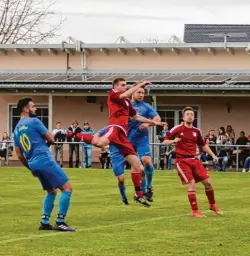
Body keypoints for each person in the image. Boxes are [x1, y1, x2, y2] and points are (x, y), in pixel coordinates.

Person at [73, 79, 162, 207]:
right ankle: (75, 134)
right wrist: (140, 84)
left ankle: (139, 195)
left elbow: (136, 117)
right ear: (115, 86)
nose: (125, 87)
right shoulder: (113, 94)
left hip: (123, 136)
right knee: (101, 143)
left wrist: (153, 123)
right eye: (123, 85)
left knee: (138, 166)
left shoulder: (127, 102)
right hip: (115, 128)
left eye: (126, 85)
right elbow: (125, 95)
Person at [13, 97, 75, 231]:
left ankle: (45, 222)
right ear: (26, 109)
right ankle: (60, 221)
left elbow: (19, 155)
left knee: (51, 191)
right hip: (45, 159)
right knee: (67, 188)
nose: (35, 109)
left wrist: (31, 168)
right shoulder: (34, 121)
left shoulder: (16, 130)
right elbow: (51, 139)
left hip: (33, 163)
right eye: (33, 106)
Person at [163, 107, 222, 217]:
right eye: (188, 114)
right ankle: (195, 211)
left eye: (192, 114)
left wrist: (213, 155)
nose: (190, 115)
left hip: (195, 160)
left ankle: (212, 205)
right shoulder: (177, 129)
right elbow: (165, 141)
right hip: (182, 161)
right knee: (192, 184)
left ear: (194, 117)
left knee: (208, 183)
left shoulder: (196, 131)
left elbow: (203, 145)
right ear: (183, 117)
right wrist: (173, 141)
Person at [128, 86, 163, 201]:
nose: (141, 95)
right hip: (128, 140)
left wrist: (148, 124)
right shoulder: (126, 104)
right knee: (139, 168)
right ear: (132, 92)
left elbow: (157, 118)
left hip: (142, 138)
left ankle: (148, 186)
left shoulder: (146, 106)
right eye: (139, 92)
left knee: (147, 161)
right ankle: (140, 191)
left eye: (143, 93)